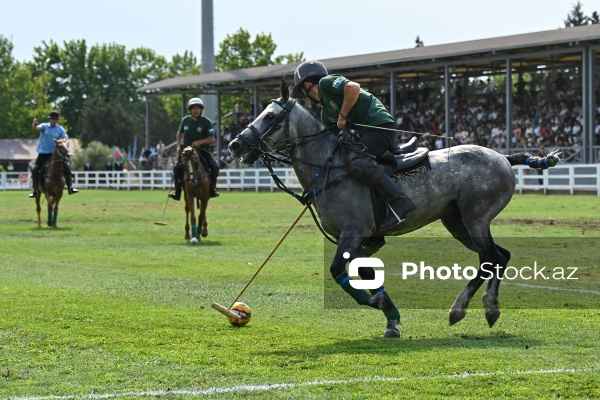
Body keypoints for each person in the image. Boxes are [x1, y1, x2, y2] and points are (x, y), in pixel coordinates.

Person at [293, 60, 414, 230]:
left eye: (303, 92)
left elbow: (353, 88)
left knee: (356, 161)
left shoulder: (325, 83)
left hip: (380, 126)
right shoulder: (326, 112)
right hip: (366, 135)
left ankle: (400, 201)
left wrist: (342, 117)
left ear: (307, 85)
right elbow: (329, 140)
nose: (306, 97)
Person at [169, 97, 220, 200]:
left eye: (198, 108)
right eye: (193, 108)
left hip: (203, 150)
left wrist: (200, 142)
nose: (196, 110)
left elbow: (212, 138)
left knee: (214, 166)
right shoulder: (185, 121)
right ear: (190, 110)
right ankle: (177, 191)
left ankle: (213, 189)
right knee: (177, 168)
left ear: (201, 110)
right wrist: (179, 146)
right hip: (186, 150)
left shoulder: (206, 122)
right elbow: (179, 133)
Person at [29, 111, 78, 198]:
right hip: (43, 154)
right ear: (50, 119)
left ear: (58, 120)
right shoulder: (44, 126)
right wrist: (34, 124)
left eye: (55, 119)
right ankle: (35, 190)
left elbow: (65, 138)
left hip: (55, 155)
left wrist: (65, 141)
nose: (54, 121)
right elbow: (36, 129)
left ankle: (70, 187)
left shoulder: (60, 129)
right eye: (52, 119)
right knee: (35, 169)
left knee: (67, 168)